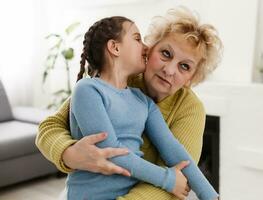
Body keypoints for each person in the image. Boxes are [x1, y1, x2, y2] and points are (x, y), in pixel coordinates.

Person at [36, 6, 222, 200]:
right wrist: (69, 154)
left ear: (192, 78)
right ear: (149, 50)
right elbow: (51, 126)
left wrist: (211, 195)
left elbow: (176, 160)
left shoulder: (173, 106)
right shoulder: (104, 85)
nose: (169, 70)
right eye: (166, 53)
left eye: (185, 66)